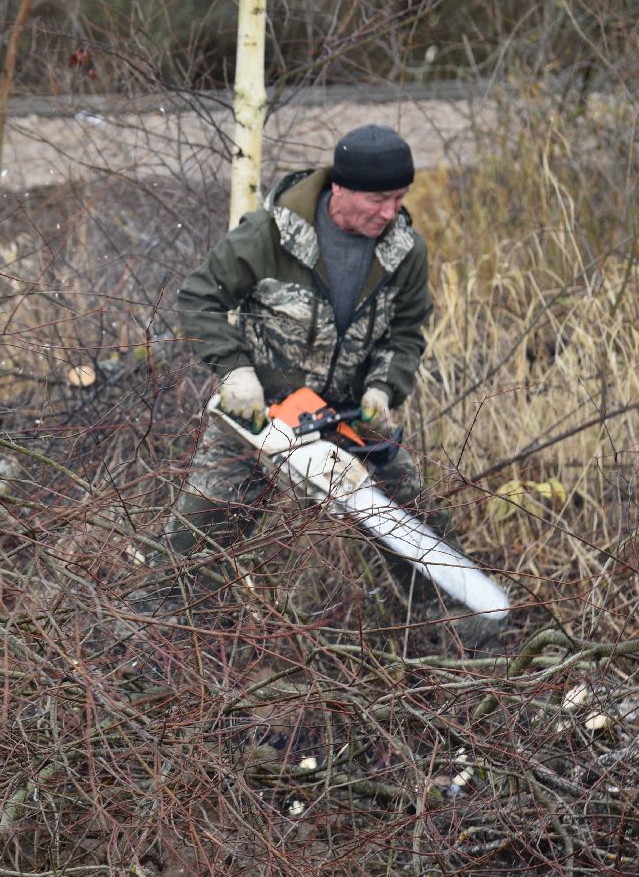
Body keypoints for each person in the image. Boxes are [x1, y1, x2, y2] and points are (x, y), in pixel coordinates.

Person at [165, 124, 466, 629]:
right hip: (262, 414)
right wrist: (235, 371)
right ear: (340, 188)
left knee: (413, 518)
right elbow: (199, 297)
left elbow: (406, 332)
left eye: (398, 199)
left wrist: (382, 388)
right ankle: (152, 637)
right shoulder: (271, 235)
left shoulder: (404, 251)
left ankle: (459, 625)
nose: (390, 212)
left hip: (347, 413)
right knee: (197, 533)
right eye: (378, 200)